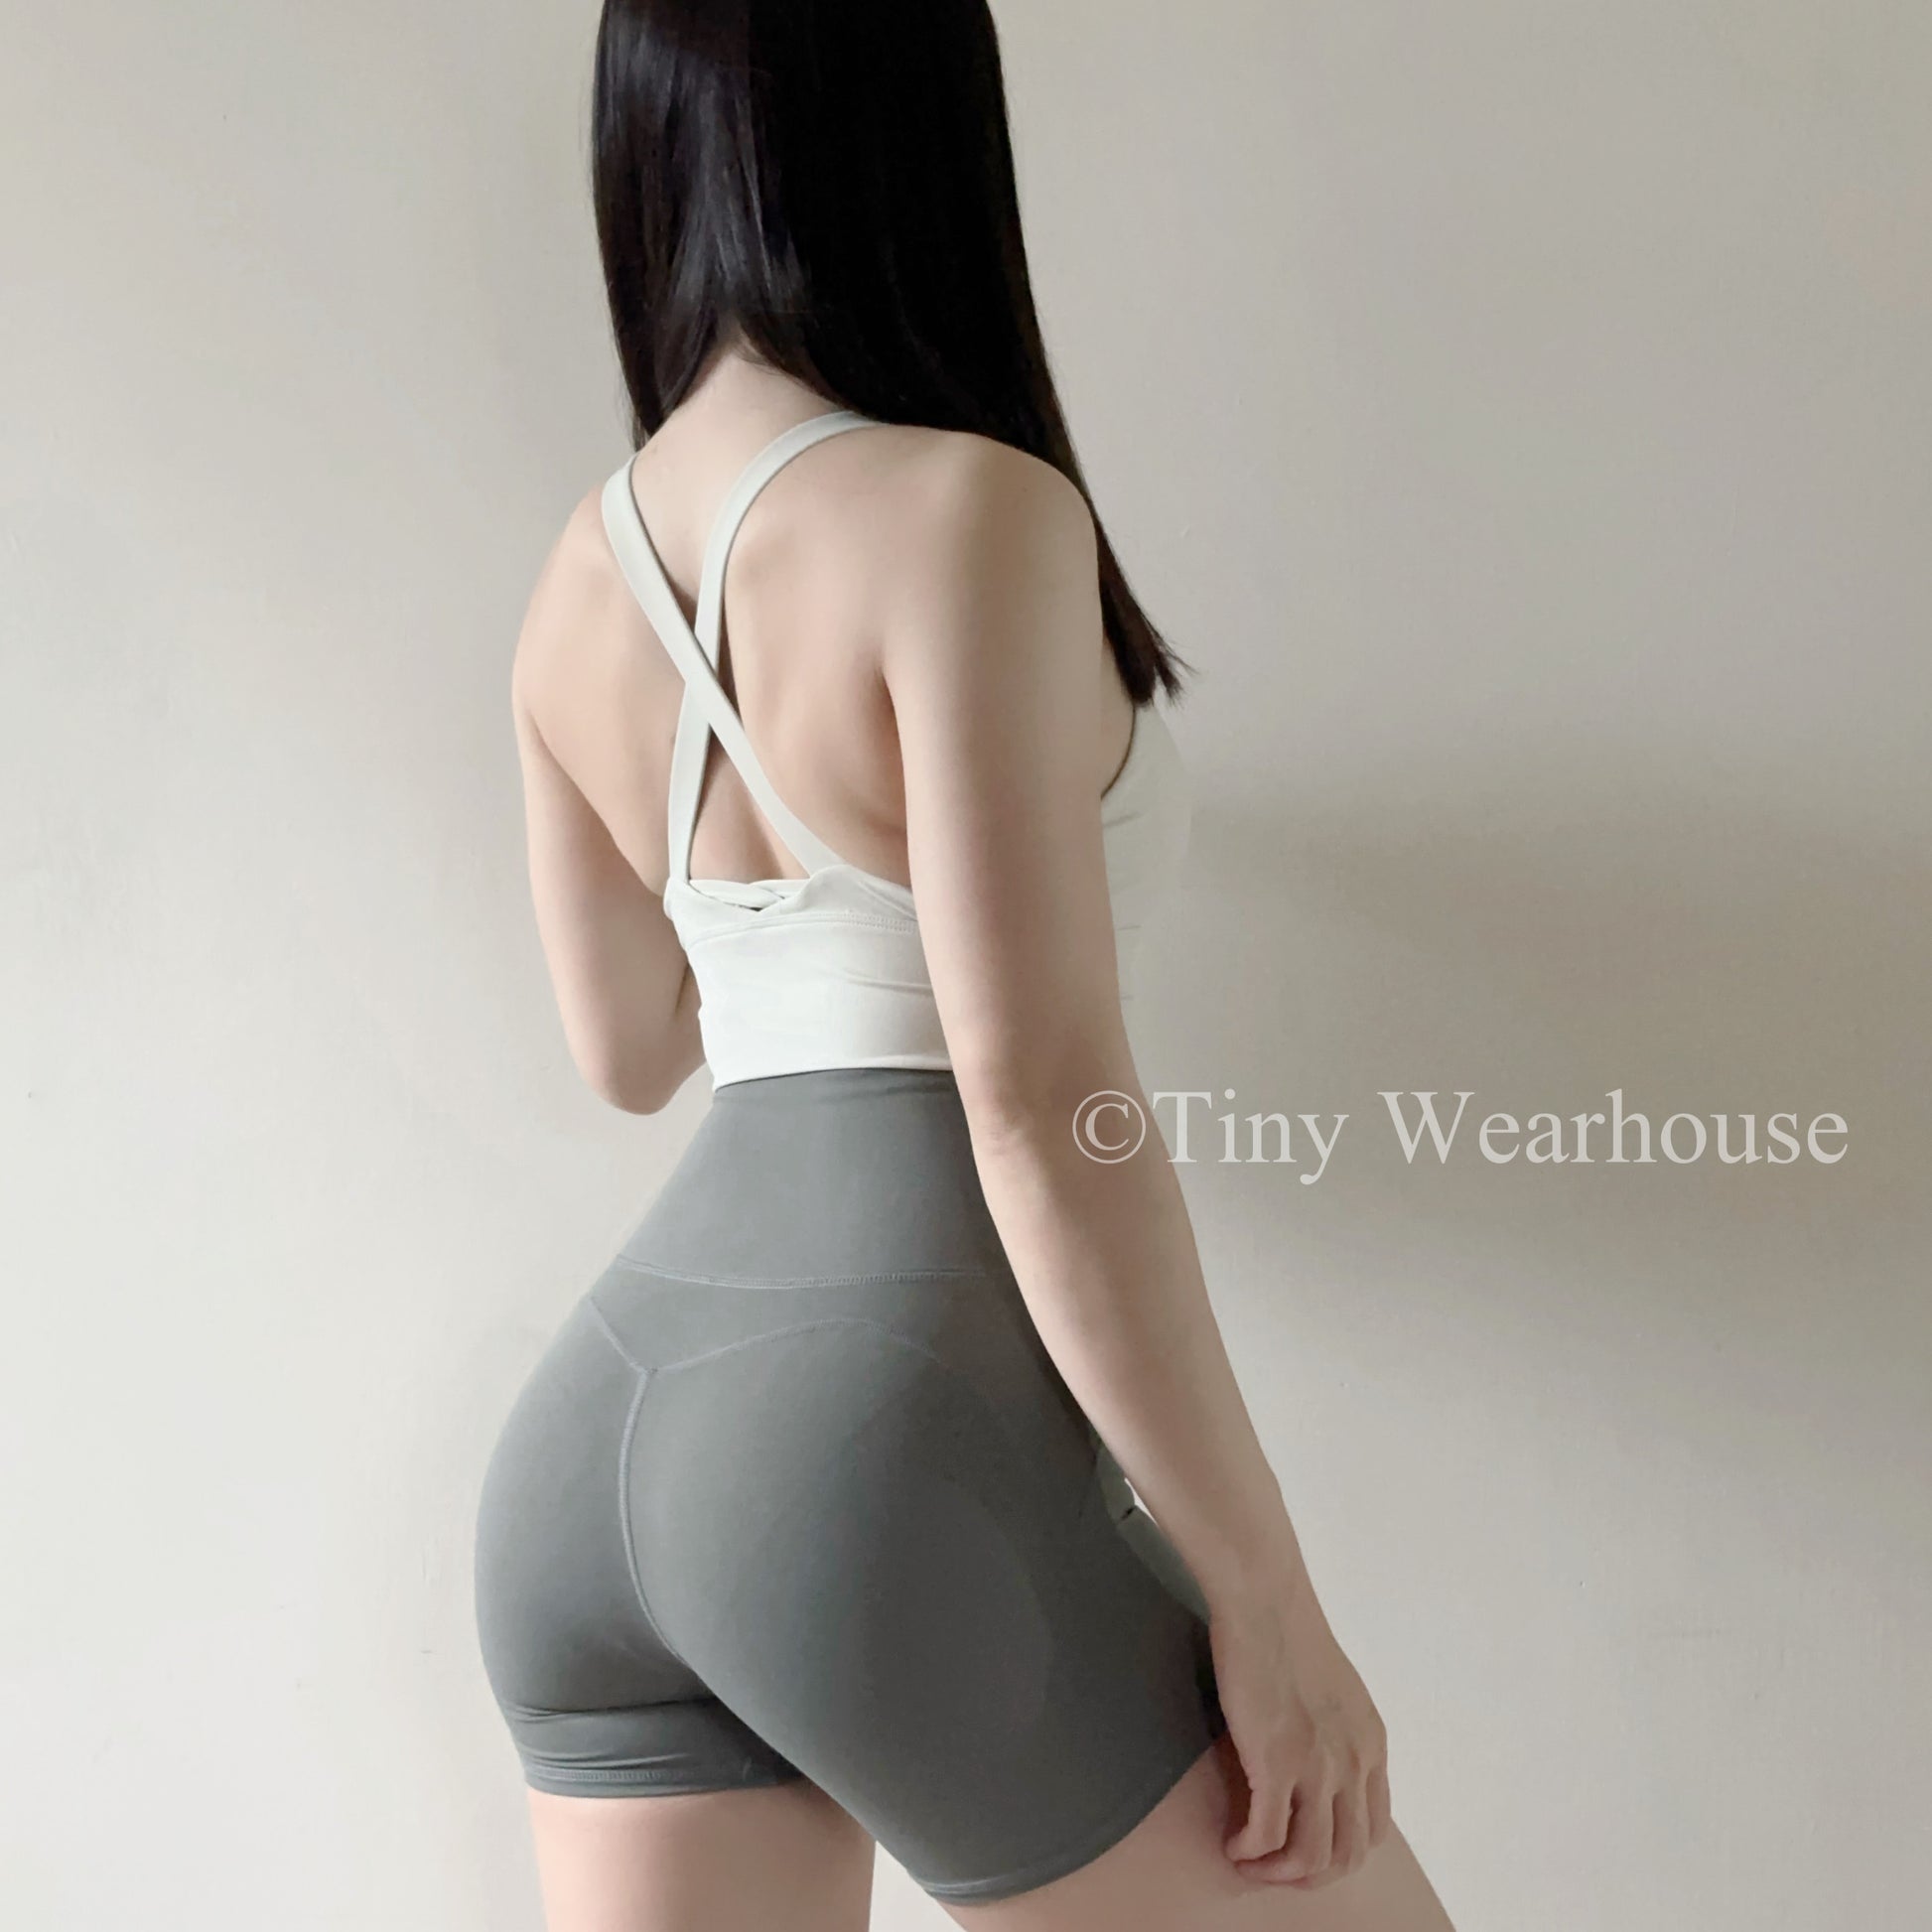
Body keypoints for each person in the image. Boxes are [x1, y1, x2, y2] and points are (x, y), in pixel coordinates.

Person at [472, 3, 1459, 1927]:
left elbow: (627, 1045)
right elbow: (1036, 1096)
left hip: (589, 1462)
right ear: (924, 137)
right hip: (863, 1453)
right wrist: (1265, 1598)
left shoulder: (576, 577)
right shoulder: (966, 510)